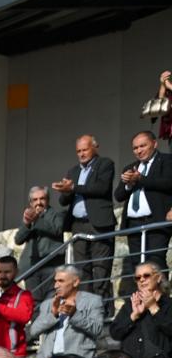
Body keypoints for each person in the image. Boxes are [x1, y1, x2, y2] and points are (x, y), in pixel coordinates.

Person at [53, 135, 118, 298]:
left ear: (95, 147)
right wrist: (65, 191)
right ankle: (86, 307)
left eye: (85, 149)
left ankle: (101, 309)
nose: (81, 154)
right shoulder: (73, 171)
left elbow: (101, 188)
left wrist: (74, 187)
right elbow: (63, 201)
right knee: (82, 270)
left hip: (99, 223)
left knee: (101, 269)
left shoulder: (105, 164)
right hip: (78, 225)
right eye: (78, 151)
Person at [115, 129, 172, 284]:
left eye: (142, 146)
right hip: (134, 224)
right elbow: (118, 195)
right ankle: (143, 302)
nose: (139, 151)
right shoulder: (131, 167)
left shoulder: (166, 161)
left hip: (156, 220)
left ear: (154, 143)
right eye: (135, 148)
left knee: (155, 261)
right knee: (138, 265)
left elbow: (167, 183)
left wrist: (140, 179)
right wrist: (128, 184)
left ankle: (163, 300)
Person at [29, 264, 108, 358]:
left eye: (61, 281)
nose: (56, 286)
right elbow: (34, 331)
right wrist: (53, 315)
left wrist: (75, 314)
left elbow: (97, 329)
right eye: (55, 281)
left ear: (75, 282)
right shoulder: (48, 304)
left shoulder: (92, 301)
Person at [109, 262, 172, 358]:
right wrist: (134, 316)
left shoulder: (169, 305)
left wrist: (154, 308)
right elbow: (115, 332)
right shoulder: (130, 305)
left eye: (146, 275)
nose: (142, 280)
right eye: (137, 278)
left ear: (158, 277)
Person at [15, 186, 67, 304]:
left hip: (50, 265)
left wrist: (37, 220)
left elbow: (57, 229)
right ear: (30, 202)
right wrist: (27, 224)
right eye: (35, 200)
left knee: (50, 303)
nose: (39, 202)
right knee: (34, 303)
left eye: (42, 198)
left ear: (47, 200)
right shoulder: (29, 216)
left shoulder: (57, 214)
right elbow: (18, 239)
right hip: (31, 267)